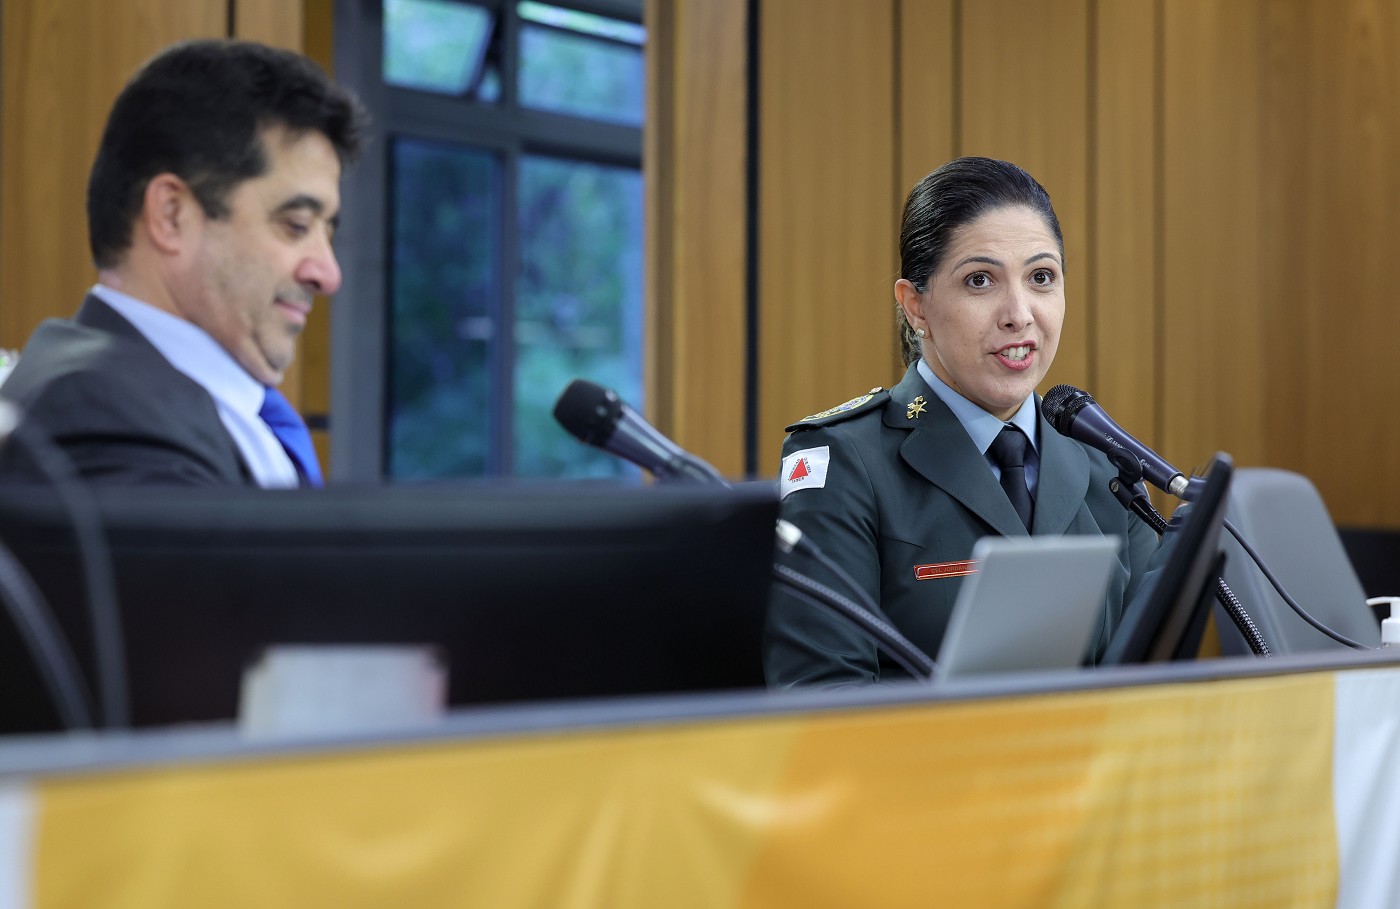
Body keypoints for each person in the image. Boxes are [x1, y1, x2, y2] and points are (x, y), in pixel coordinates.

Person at [766, 156, 1169, 688]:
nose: (1019, 314)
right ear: (916, 306)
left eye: (1041, 278)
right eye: (980, 280)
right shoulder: (845, 460)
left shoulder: (1107, 468)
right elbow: (823, 697)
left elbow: (1153, 681)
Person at [0, 40, 366, 487]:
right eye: (296, 225)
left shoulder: (174, 400)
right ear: (172, 215)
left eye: (328, 233)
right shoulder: (100, 413)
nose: (328, 275)